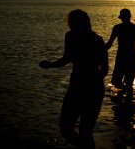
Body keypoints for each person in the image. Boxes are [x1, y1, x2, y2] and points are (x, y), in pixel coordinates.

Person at [39, 9, 108, 149]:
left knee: (78, 130)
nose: (70, 25)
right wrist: (50, 65)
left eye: (71, 22)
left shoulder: (91, 39)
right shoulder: (76, 37)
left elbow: (104, 67)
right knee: (73, 130)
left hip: (85, 88)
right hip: (84, 87)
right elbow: (67, 59)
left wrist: (50, 65)